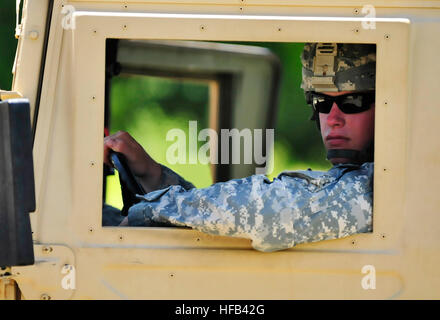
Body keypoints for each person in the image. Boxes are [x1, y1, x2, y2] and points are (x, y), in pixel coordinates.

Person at [103, 42, 376, 252]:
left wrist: (150, 209)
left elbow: (269, 209)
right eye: (322, 103)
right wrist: (151, 175)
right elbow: (229, 220)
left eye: (353, 102)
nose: (334, 119)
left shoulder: (381, 186)